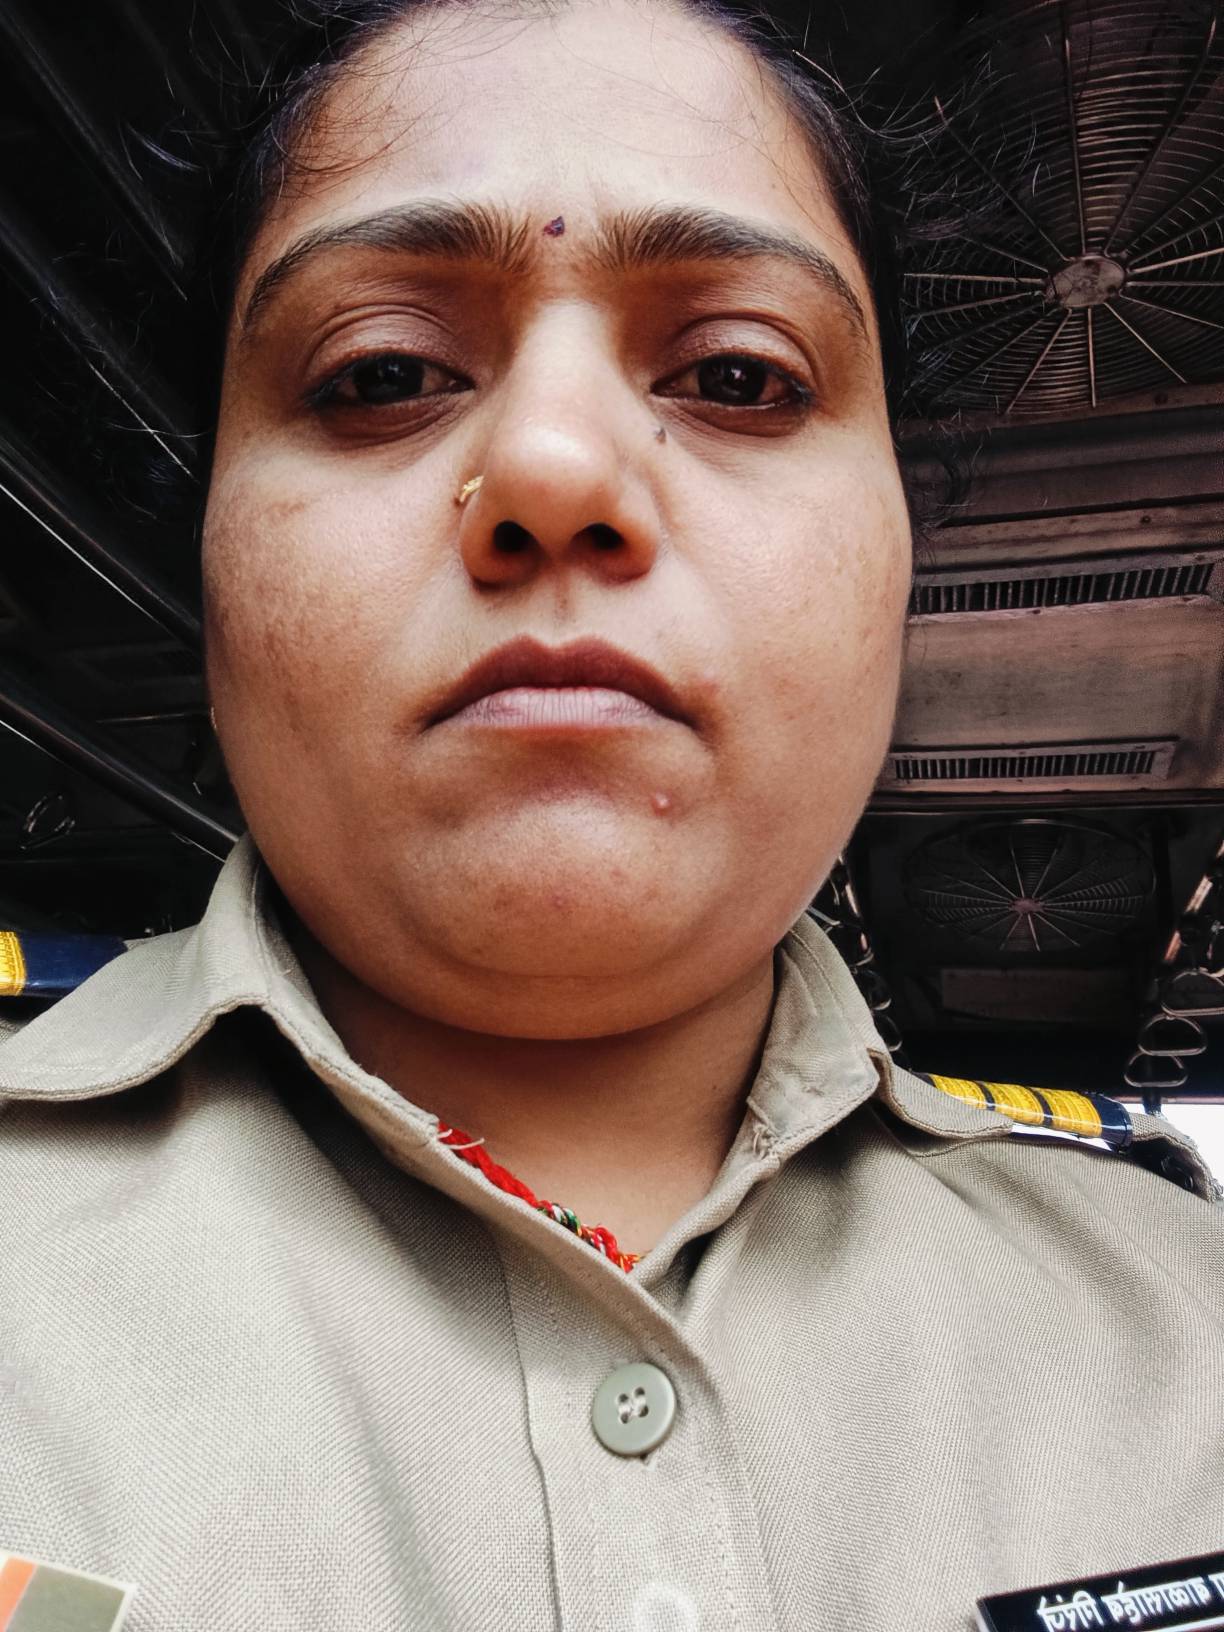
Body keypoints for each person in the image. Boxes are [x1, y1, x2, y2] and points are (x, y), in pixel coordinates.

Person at [0, 2, 1220, 1628]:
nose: (557, 468)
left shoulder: (1189, 1326)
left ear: (899, 559)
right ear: (209, 560)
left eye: (739, 375)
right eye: (381, 373)